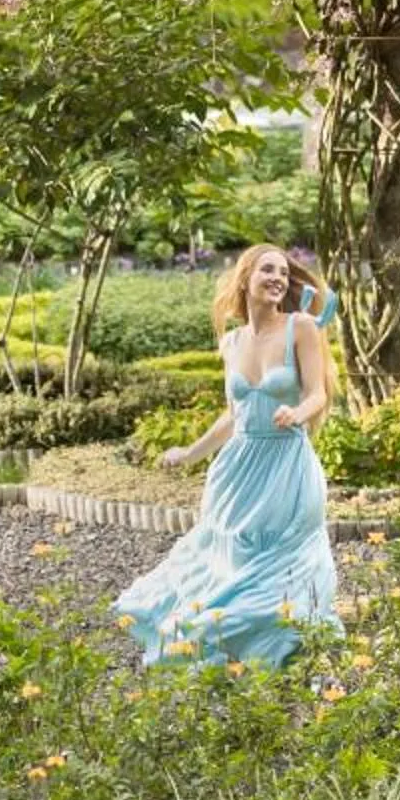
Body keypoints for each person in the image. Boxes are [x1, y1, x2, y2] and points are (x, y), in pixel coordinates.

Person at [113, 244, 341, 668]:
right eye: (267, 270)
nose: (278, 278)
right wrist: (190, 452)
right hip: (237, 471)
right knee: (229, 563)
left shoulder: (301, 327)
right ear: (245, 279)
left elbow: (317, 393)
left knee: (280, 563)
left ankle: (285, 654)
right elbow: (233, 416)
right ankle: (235, 655)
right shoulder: (232, 342)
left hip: (286, 466)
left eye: (284, 273)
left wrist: (297, 412)